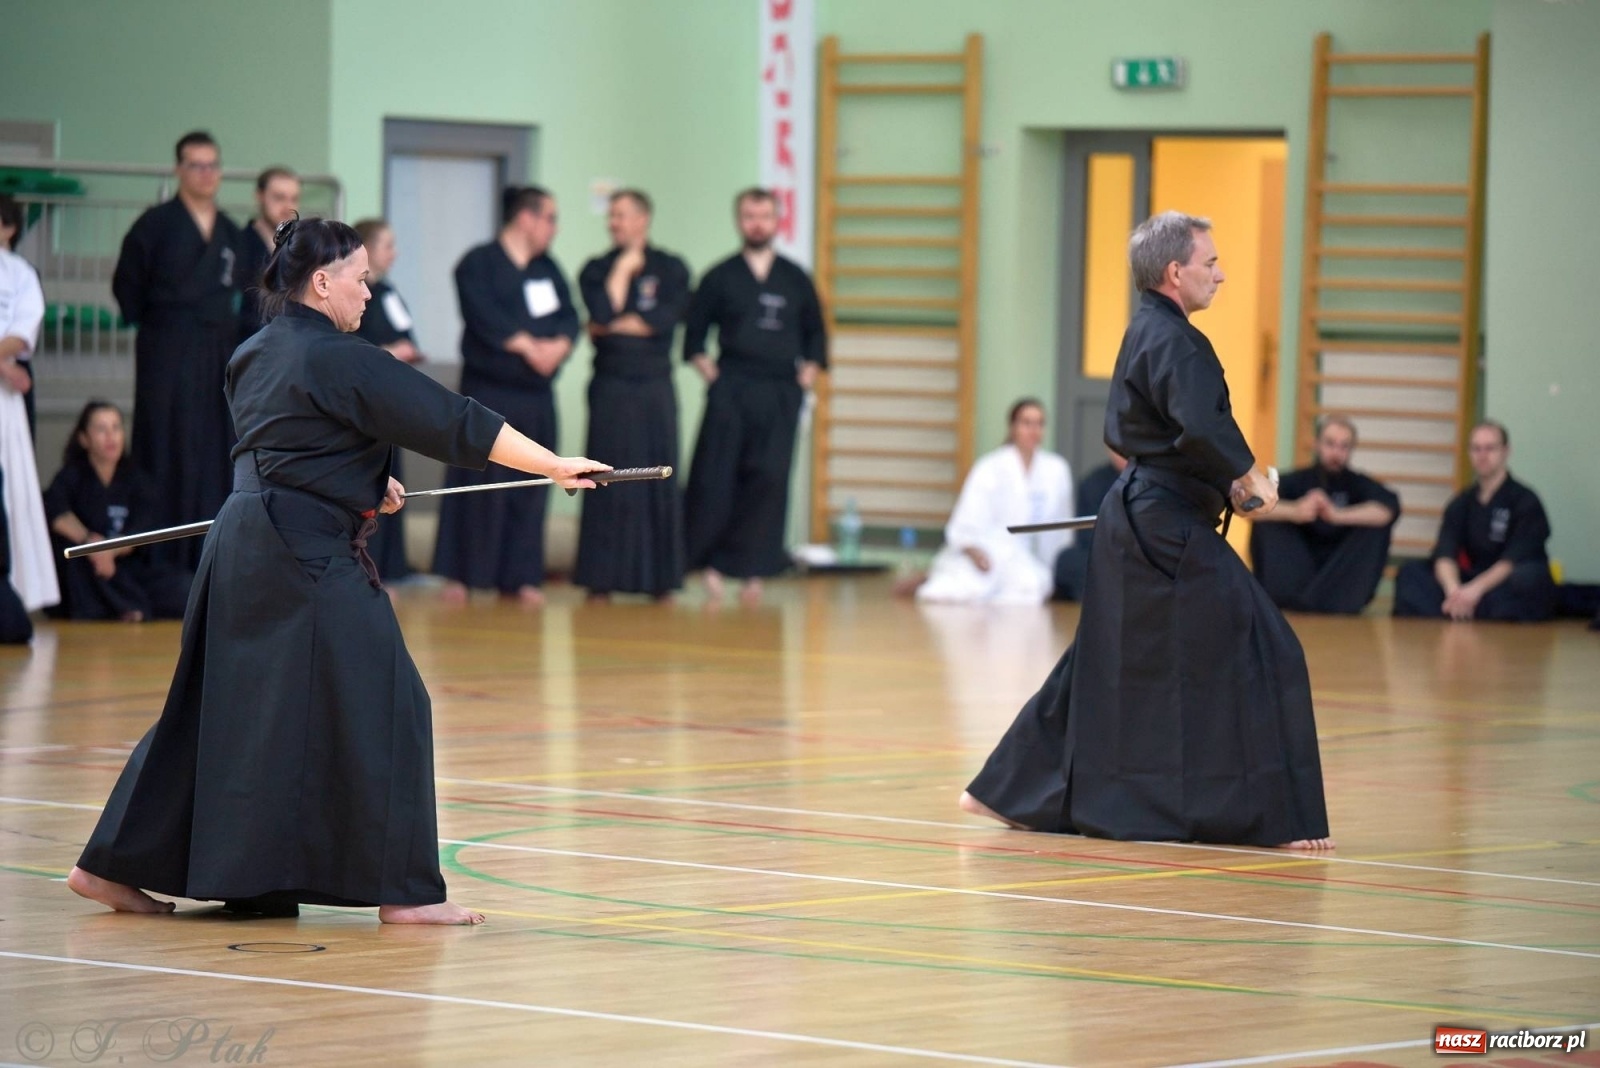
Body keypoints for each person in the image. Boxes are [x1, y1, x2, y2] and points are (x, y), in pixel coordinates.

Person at [66, 216, 608, 924]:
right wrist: (553, 465)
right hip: (304, 554)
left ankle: (113, 866)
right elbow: (454, 420)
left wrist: (363, 484)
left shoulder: (252, 352)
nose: (369, 294)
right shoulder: (345, 358)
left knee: (224, 710)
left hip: (242, 543)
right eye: (361, 279)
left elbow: (286, 443)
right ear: (322, 283)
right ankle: (406, 894)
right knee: (395, 701)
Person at [960, 211, 1332, 850]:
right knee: (1266, 646)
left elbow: (1176, 435)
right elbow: (1202, 427)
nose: (1220, 274)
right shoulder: (1175, 340)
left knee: (1103, 659)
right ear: (1175, 272)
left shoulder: (1149, 330)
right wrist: (1249, 478)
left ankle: (1002, 790)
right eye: (1210, 263)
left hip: (1143, 520)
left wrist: (1225, 485)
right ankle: (1275, 817)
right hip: (1161, 529)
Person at [432, 186, 578, 605]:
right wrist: (529, 346)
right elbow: (483, 317)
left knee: (533, 482)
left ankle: (520, 576)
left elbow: (570, 318)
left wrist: (558, 347)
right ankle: (463, 573)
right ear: (525, 218)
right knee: (477, 482)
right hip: (489, 392)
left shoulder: (548, 268)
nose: (554, 228)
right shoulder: (478, 264)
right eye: (549, 218)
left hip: (536, 395)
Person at [682, 187, 827, 606]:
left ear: (777, 221)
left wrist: (806, 377)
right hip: (732, 387)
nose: (757, 224)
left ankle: (754, 569)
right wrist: (712, 375)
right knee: (717, 476)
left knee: (769, 478)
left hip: (780, 390)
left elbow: (816, 335)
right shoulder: (720, 276)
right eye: (749, 216)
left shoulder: (795, 278)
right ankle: (710, 564)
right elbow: (693, 337)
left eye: (764, 216)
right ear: (739, 220)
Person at [111, 131, 242, 570]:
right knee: (164, 442)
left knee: (214, 446)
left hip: (217, 352)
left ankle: (212, 555)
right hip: (166, 351)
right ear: (178, 170)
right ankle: (159, 560)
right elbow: (127, 288)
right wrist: (160, 326)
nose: (206, 173)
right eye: (195, 165)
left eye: (212, 165)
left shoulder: (229, 231)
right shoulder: (154, 225)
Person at [573, 190, 690, 601]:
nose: (613, 223)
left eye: (621, 215)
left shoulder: (672, 268)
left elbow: (662, 321)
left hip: (654, 386)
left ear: (643, 218)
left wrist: (616, 324)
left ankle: (660, 580)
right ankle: (600, 577)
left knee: (657, 476)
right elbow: (602, 315)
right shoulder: (596, 269)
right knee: (604, 475)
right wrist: (622, 271)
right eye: (611, 216)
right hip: (611, 386)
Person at [912, 398, 1073, 605]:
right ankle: (932, 576)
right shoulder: (989, 467)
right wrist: (975, 553)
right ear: (1013, 428)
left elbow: (1061, 526)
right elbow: (966, 521)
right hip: (991, 550)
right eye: (1026, 423)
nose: (1034, 431)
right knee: (958, 589)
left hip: (1028, 558)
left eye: (1039, 424)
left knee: (1031, 587)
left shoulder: (1056, 469)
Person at [1393, 421, 1556, 622]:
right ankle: (1462, 607)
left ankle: (1467, 609)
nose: (1482, 455)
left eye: (1490, 448)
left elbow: (1512, 560)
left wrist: (1475, 590)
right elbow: (1444, 554)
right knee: (1411, 573)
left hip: (1504, 579)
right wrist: (1454, 591)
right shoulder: (1461, 503)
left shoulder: (1525, 500)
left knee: (1528, 579)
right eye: (1476, 449)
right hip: (1471, 579)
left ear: (1506, 451)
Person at [44, 401, 192, 622]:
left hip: (122, 566)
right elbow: (56, 512)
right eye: (101, 429)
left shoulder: (136, 480)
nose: (110, 437)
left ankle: (121, 603)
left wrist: (110, 551)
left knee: (184, 587)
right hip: (87, 563)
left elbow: (142, 529)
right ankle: (128, 605)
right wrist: (90, 543)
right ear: (84, 438)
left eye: (115, 427)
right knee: (76, 566)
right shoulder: (71, 477)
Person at [1249, 414, 1400, 614]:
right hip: (1295, 573)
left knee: (1376, 527)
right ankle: (1291, 597)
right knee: (1267, 516)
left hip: (1339, 579)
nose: (1336, 452)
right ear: (1317, 444)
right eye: (1330, 444)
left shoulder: (1358, 484)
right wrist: (1295, 511)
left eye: (1344, 446)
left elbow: (1387, 510)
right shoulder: (1297, 480)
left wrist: (1337, 515)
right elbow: (1249, 506)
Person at [353, 217, 423, 582]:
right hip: (364, 398)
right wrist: (388, 352)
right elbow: (353, 347)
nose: (394, 254)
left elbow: (406, 334)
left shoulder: (389, 292)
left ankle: (394, 566)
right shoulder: (355, 295)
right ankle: (370, 564)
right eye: (387, 246)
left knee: (395, 481)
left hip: (391, 398)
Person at [0, 194, 58, 616]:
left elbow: (22, 334)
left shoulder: (20, 272)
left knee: (9, 483)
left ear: (10, 227)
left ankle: (16, 589)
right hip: (6, 376)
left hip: (6, 399)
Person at [1052, 448, 1127, 602]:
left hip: (1138, 557)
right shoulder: (1092, 483)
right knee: (1067, 560)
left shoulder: (1151, 481)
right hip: (1104, 557)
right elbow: (1086, 538)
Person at [237, 166, 301, 339]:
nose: (288, 207)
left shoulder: (300, 249)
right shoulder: (239, 244)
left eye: (294, 199)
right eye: (279, 197)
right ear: (260, 196)